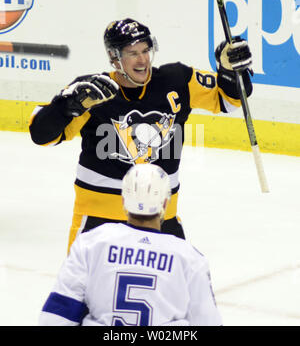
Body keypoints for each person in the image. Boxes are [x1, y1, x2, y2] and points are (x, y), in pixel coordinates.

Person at [29, 18, 253, 252]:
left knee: (175, 288)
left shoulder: (176, 80)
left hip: (161, 221)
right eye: (132, 53)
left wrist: (230, 71)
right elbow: (41, 135)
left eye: (145, 50)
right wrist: (66, 105)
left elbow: (231, 101)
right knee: (85, 290)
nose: (142, 59)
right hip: (99, 221)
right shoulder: (92, 92)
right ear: (114, 57)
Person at [39, 163, 222, 326]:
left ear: (123, 201)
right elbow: (208, 321)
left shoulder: (90, 244)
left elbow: (55, 316)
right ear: (165, 203)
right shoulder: (189, 258)